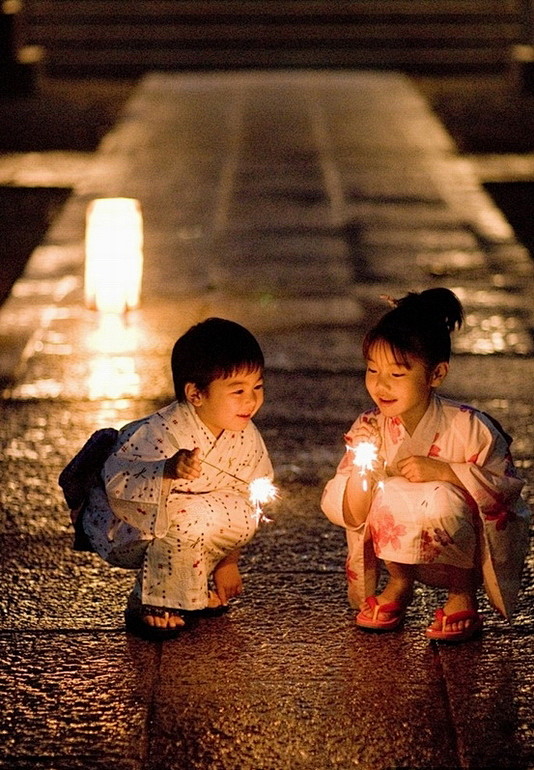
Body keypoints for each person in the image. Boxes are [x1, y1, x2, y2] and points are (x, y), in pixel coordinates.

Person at [321, 288, 530, 642]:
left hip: (459, 551)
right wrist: (363, 475)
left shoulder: (470, 427)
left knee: (445, 497)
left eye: (398, 375)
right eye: (373, 370)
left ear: (436, 374)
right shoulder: (369, 429)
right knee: (381, 492)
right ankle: (399, 580)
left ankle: (461, 593)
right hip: (400, 546)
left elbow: (505, 492)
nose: (381, 385)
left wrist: (448, 473)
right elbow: (352, 513)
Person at [76, 317, 273, 637]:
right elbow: (119, 480)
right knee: (184, 516)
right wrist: (166, 470)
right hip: (126, 526)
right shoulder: (159, 432)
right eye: (238, 391)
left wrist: (228, 562)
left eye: (257, 387)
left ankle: (190, 591)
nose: (251, 400)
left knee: (243, 513)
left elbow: (251, 492)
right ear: (196, 394)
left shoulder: (246, 436)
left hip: (192, 521)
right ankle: (152, 601)